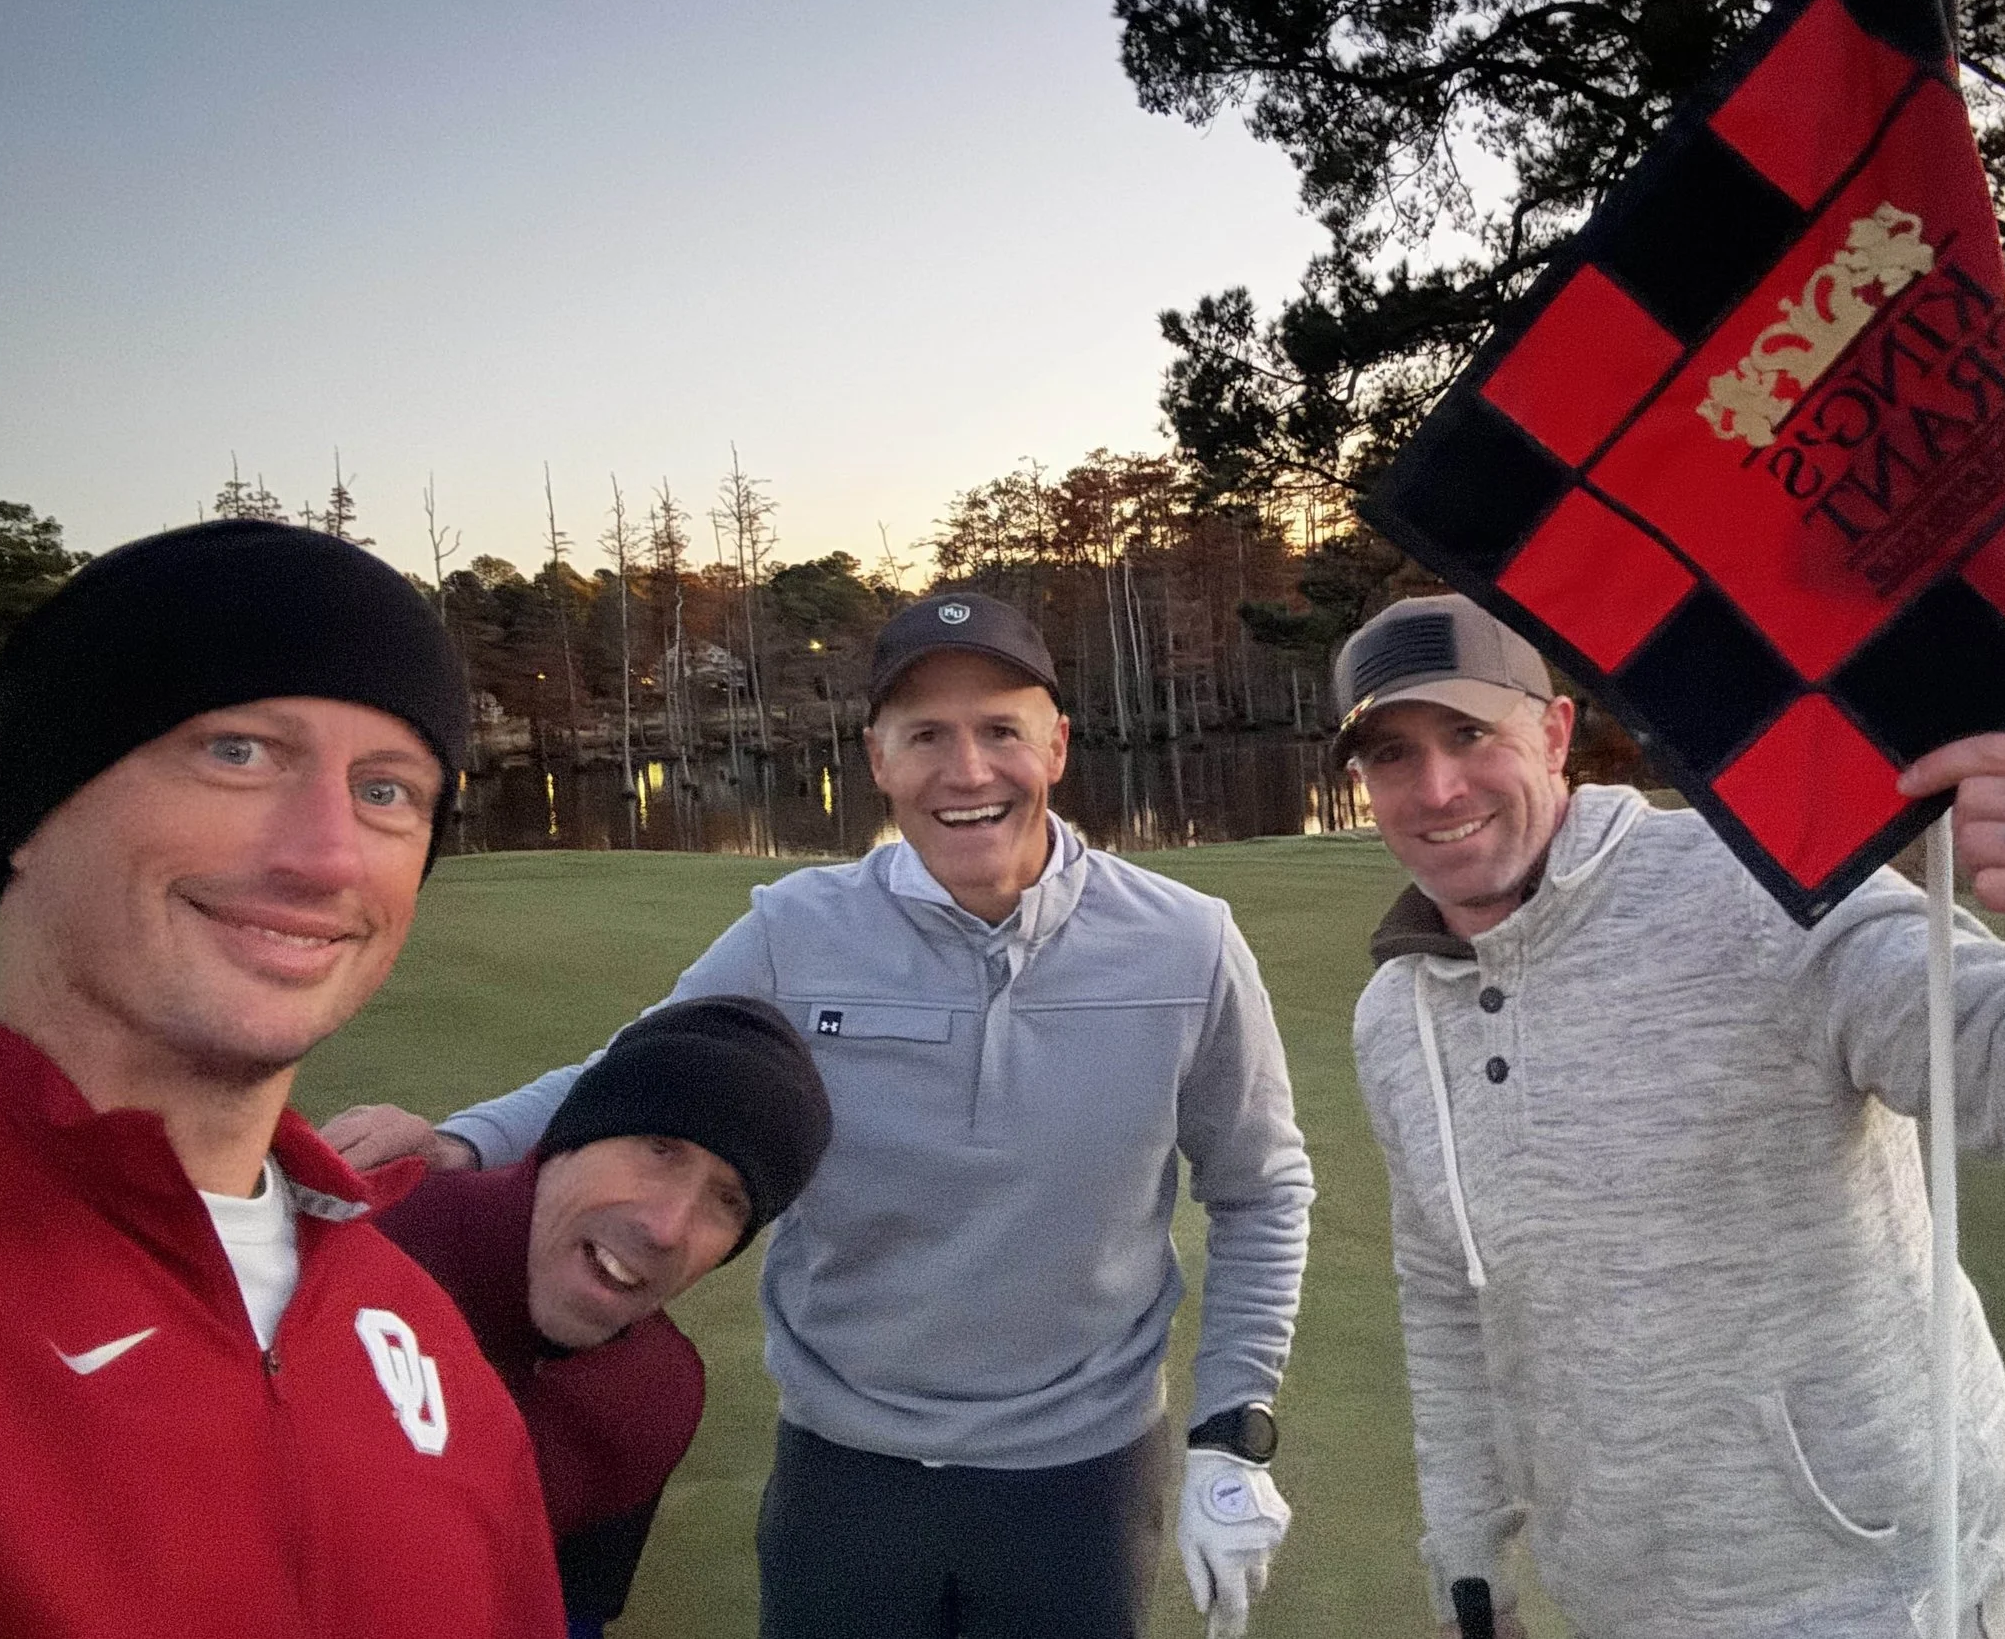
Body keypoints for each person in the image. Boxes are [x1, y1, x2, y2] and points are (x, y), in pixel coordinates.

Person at [330, 591, 1316, 1639]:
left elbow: (1260, 1189)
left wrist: (1231, 1429)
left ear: (1058, 747)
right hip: (846, 1467)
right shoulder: (796, 930)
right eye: (926, 736)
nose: (967, 771)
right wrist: (458, 1140)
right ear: (879, 760)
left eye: (1000, 732)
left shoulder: (1188, 945)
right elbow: (636, 1069)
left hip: (1081, 1473)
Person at [1334, 593, 2005, 1639]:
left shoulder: (1756, 889)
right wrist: (1464, 1560)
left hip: (1882, 1593)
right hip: (1621, 1603)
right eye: (1391, 755)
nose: (1437, 787)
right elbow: (1449, 1297)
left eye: (1468, 735)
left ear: (1552, 734)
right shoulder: (1395, 1018)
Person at [0, 519, 564, 1639]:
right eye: (239, 752)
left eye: (389, 791)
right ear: (31, 805)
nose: (328, 856)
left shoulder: (419, 1339)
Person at [368, 994, 833, 1639]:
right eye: (659, 1149)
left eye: (728, 1201)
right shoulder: (354, 1246)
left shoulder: (651, 1397)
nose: (667, 1228)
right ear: (571, 1137)